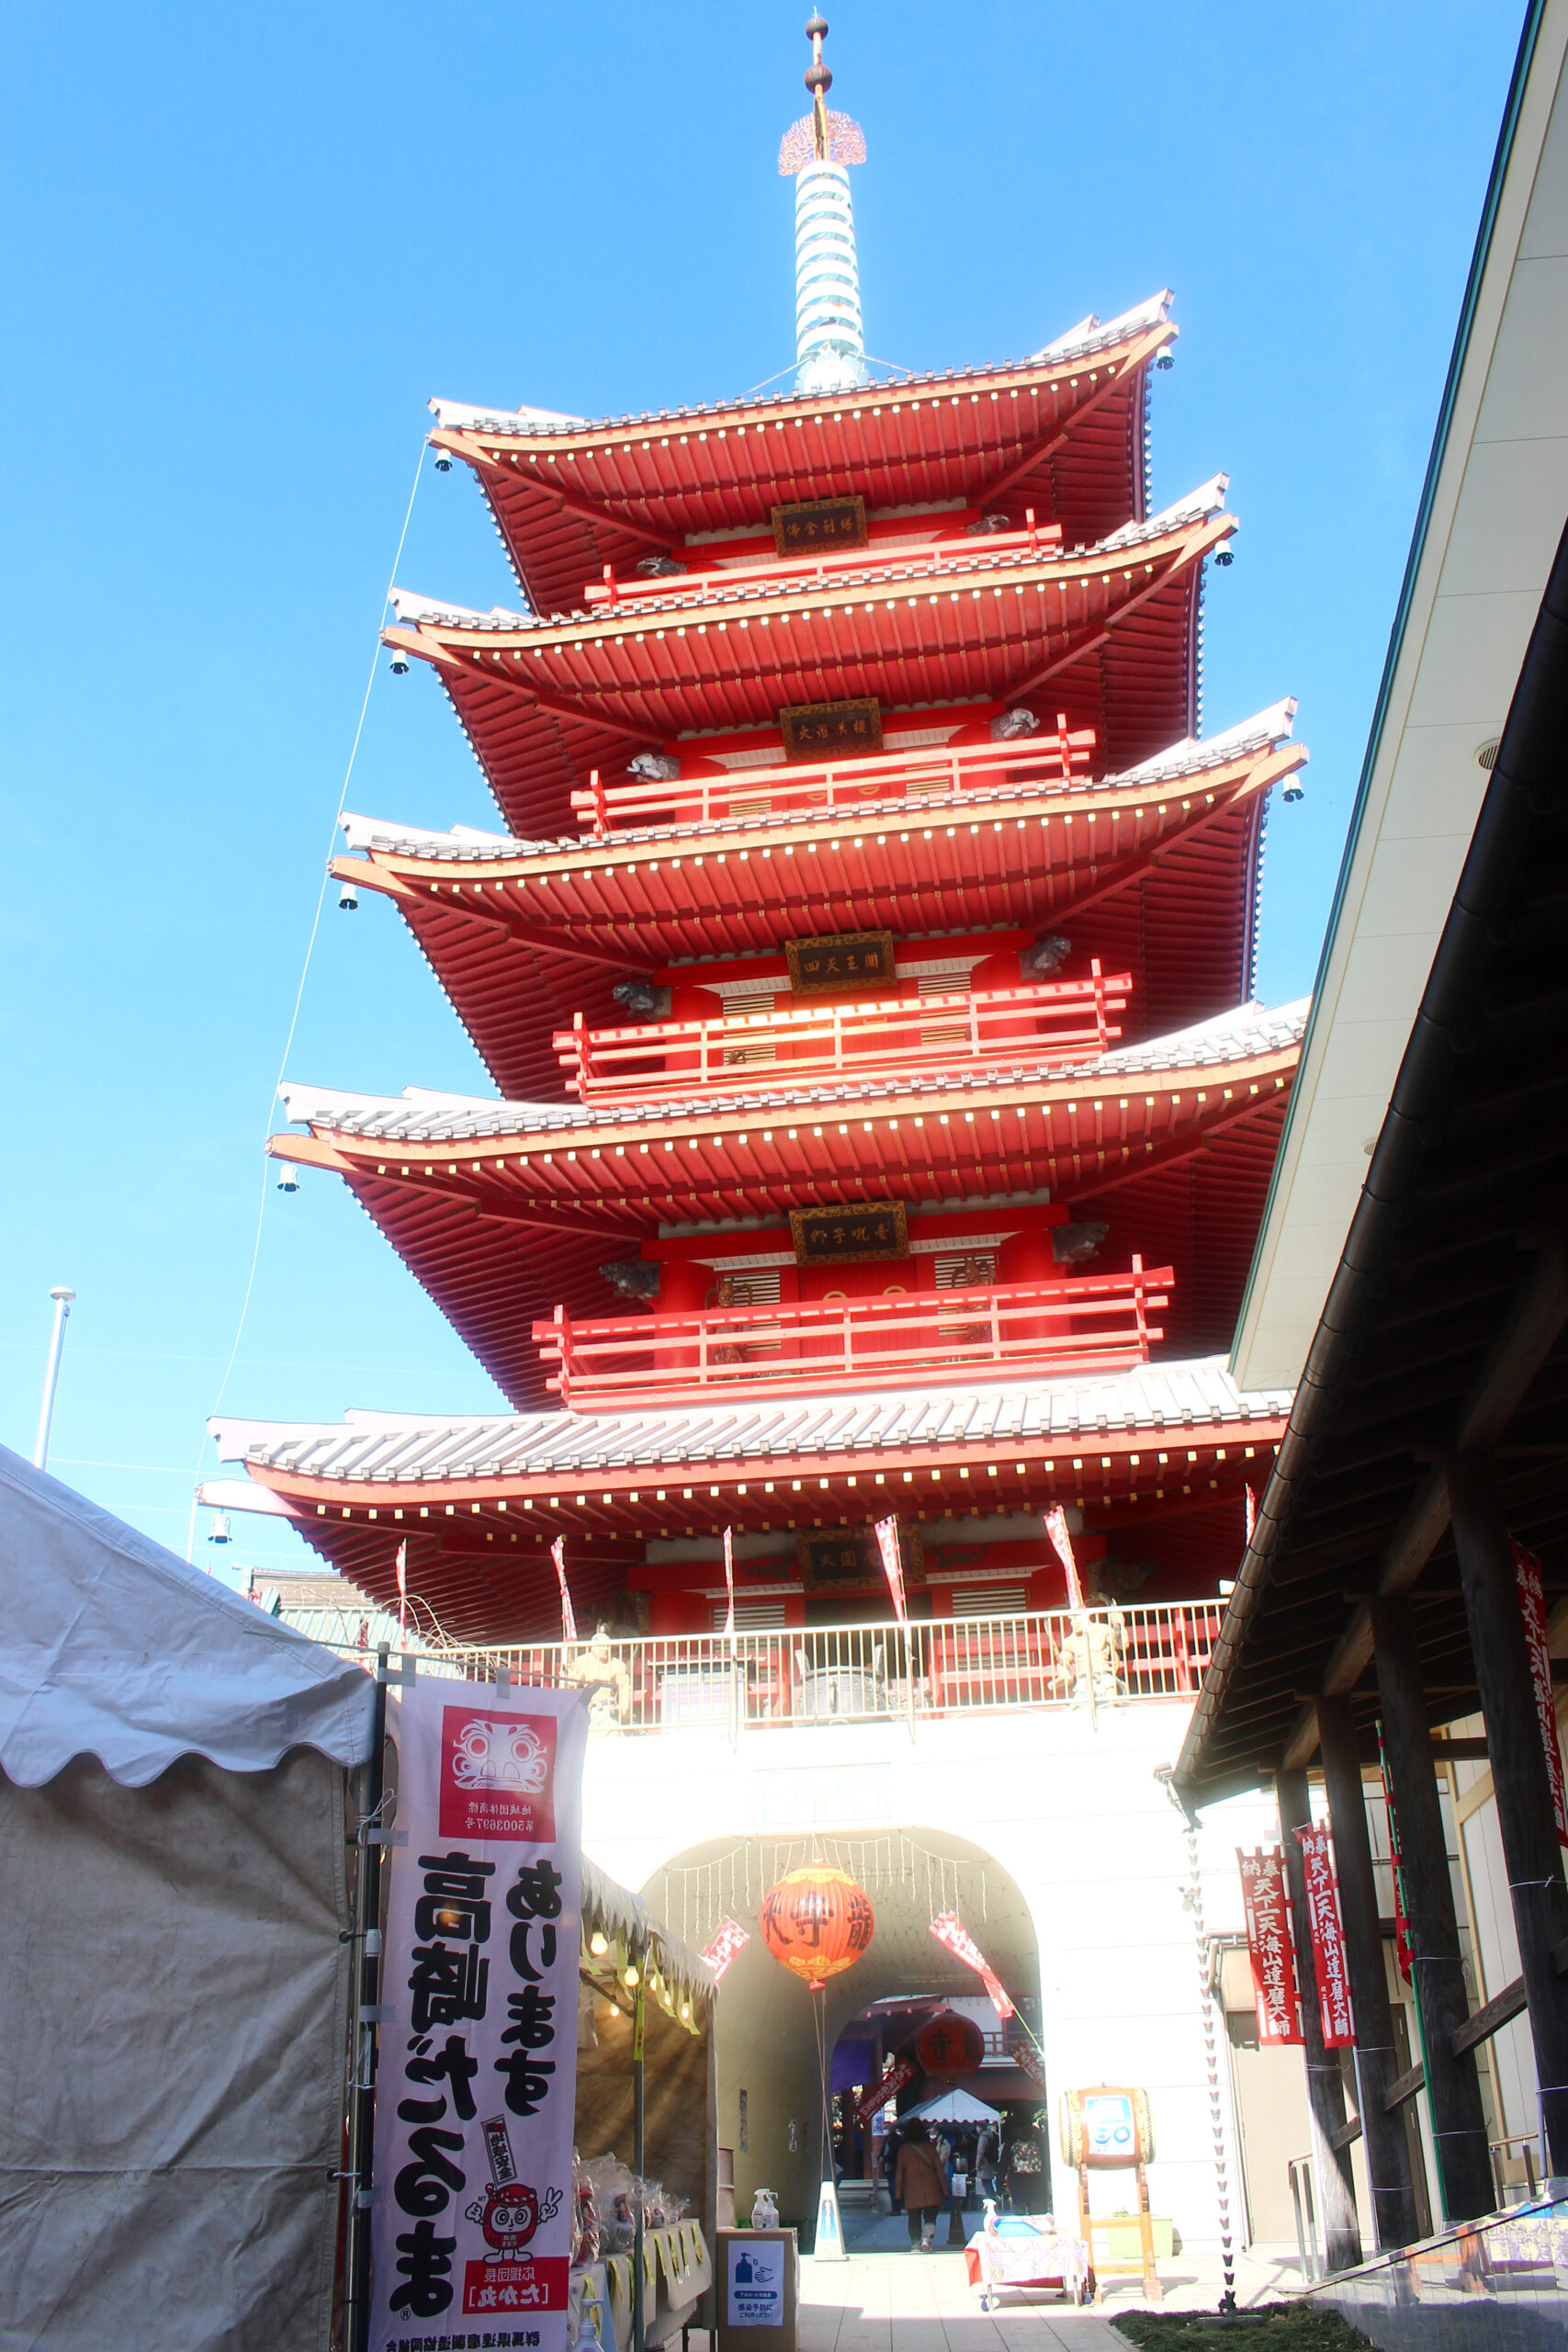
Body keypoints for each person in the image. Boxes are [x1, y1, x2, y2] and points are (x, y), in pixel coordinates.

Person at [894, 2120, 947, 2252]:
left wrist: (898, 2192)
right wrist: (945, 2190)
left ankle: (915, 2244)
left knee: (913, 2216)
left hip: (912, 2188)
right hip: (930, 2186)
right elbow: (939, 2170)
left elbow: (899, 2172)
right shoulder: (929, 2148)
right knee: (930, 2215)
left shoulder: (903, 2150)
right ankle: (926, 2239)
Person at [976, 2121, 1000, 2209]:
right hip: (990, 2164)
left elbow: (980, 2152)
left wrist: (977, 2166)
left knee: (987, 2185)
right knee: (989, 2184)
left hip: (984, 2165)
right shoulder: (992, 2135)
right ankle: (993, 2202)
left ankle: (991, 2204)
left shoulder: (983, 2137)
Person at [880, 2127, 902, 2213]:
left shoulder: (897, 2140)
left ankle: (897, 2208)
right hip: (887, 2167)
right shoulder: (886, 2139)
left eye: (886, 2128)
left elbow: (894, 2153)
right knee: (891, 2189)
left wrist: (884, 2158)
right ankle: (894, 2208)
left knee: (894, 2188)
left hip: (894, 2166)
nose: (884, 2130)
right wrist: (880, 2156)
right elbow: (883, 2150)